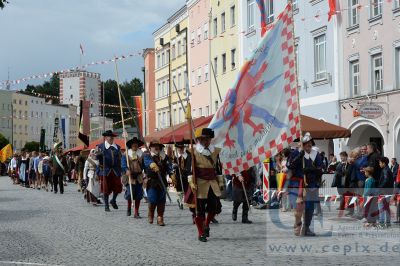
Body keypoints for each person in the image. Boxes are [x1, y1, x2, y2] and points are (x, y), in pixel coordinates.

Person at [188, 127, 224, 242]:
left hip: (212, 183)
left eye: (207, 139)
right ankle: (201, 233)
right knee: (199, 210)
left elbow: (218, 169)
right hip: (199, 183)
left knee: (215, 207)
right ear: (199, 140)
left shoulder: (215, 151)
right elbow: (190, 170)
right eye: (203, 139)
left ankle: (207, 224)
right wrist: (191, 183)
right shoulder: (193, 151)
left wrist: (221, 182)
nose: (205, 141)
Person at [287, 132, 323, 237]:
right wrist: (299, 157)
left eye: (310, 144)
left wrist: (311, 169)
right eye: (306, 144)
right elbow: (290, 166)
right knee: (298, 209)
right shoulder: (295, 153)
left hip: (311, 184)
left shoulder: (316, 155)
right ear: (302, 144)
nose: (309, 146)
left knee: (309, 208)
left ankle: (306, 228)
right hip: (297, 183)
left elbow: (321, 169)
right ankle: (298, 222)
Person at [143, 140, 174, 226]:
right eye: (154, 146)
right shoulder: (147, 155)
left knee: (161, 201)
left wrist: (171, 174)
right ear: (150, 147)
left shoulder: (164, 157)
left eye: (158, 146)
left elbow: (169, 166)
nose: (156, 147)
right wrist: (152, 164)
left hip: (162, 181)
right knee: (152, 199)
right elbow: (146, 162)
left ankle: (160, 217)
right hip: (152, 181)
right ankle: (151, 213)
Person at [96, 130, 123, 212]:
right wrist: (100, 154)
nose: (111, 138)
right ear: (106, 137)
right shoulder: (100, 146)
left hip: (115, 170)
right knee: (105, 188)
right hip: (105, 170)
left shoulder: (117, 147)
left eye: (112, 136)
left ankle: (113, 200)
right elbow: (96, 158)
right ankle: (106, 205)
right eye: (109, 136)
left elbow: (119, 158)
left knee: (118, 186)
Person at [121, 137, 145, 218]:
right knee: (129, 194)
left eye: (136, 144)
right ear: (131, 145)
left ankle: (136, 212)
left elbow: (144, 165)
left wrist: (146, 173)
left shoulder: (141, 153)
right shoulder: (126, 153)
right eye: (133, 144)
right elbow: (123, 163)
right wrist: (126, 169)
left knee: (138, 195)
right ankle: (128, 208)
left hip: (138, 176)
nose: (135, 145)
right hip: (129, 176)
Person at [377, 157, 394, 228]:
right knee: (386, 207)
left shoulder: (385, 170)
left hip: (384, 191)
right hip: (388, 191)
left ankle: (381, 223)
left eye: (380, 163)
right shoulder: (387, 169)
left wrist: (380, 188)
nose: (379, 164)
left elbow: (386, 180)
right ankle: (388, 223)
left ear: (383, 163)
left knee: (381, 206)